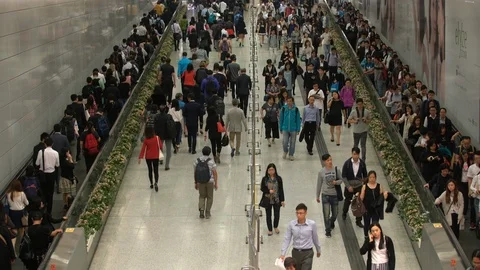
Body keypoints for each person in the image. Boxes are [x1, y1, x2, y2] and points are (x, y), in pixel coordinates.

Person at [279, 203, 321, 270]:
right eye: (297, 213)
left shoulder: (312, 224)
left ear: (305, 213)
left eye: (301, 213)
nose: (299, 215)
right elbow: (287, 239)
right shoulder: (291, 224)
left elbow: (315, 238)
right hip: (296, 253)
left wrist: (318, 250)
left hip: (308, 253)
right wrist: (283, 253)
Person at [316, 154, 342, 237]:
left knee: (335, 213)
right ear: (324, 162)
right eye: (328, 160)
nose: (330, 162)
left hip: (334, 195)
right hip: (325, 195)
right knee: (326, 214)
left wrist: (336, 182)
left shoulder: (336, 170)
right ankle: (327, 230)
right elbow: (319, 184)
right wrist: (317, 195)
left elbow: (341, 180)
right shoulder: (321, 172)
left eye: (330, 159)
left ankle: (331, 222)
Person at [342, 147, 368, 227]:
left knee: (359, 203)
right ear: (352, 154)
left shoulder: (362, 164)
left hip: (359, 186)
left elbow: (365, 176)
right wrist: (348, 186)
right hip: (349, 186)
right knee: (347, 201)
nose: (355, 156)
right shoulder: (347, 163)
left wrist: (364, 185)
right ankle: (344, 212)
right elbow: (344, 176)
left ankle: (358, 220)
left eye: (357, 154)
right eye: (354, 154)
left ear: (359, 154)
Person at [360, 171, 389, 238]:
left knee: (375, 224)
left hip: (376, 209)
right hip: (367, 209)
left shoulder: (379, 186)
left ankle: (374, 236)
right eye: (370, 177)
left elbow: (382, 197)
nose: (372, 179)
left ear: (375, 178)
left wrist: (385, 196)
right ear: (368, 178)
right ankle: (366, 235)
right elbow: (362, 198)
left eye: (373, 177)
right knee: (366, 224)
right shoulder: (364, 187)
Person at [35, 137, 60, 215]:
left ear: (45, 144)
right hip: (51, 174)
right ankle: (49, 211)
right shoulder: (55, 153)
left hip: (43, 175)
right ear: (52, 144)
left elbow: (37, 164)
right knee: (50, 193)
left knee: (43, 192)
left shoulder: (40, 152)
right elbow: (57, 164)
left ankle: (43, 208)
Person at [260, 163, 285, 236]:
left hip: (276, 199)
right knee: (268, 215)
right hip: (268, 199)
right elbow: (262, 188)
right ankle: (270, 229)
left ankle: (275, 226)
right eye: (270, 170)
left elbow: (281, 189)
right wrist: (268, 191)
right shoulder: (265, 179)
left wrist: (282, 200)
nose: (271, 171)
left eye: (272, 170)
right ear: (267, 171)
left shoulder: (279, 178)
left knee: (277, 214)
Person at [193, 146, 218, 219]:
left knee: (202, 196)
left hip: (200, 181)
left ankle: (201, 210)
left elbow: (195, 172)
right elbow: (215, 173)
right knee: (210, 197)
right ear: (209, 153)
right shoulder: (211, 161)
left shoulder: (197, 161)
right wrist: (216, 183)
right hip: (210, 182)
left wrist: (196, 182)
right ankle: (207, 212)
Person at [7, 179, 29, 251]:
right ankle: (19, 244)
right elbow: (27, 203)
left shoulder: (8, 194)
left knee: (14, 229)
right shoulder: (22, 193)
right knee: (22, 229)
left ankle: (13, 245)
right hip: (20, 213)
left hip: (12, 213)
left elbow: (9, 203)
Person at [138, 126, 162, 192]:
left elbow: (143, 149)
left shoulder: (146, 140)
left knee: (150, 170)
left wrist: (140, 157)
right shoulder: (157, 138)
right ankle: (156, 183)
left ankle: (151, 183)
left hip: (148, 157)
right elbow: (160, 146)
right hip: (155, 156)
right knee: (156, 170)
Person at [153, 105, 175, 170]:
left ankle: (161, 159)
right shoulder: (169, 116)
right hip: (168, 135)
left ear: (159, 110)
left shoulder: (156, 117)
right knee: (168, 150)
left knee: (160, 148)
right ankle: (167, 165)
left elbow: (155, 127)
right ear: (165, 110)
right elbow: (172, 126)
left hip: (160, 135)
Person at [280, 96, 301, 160]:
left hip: (293, 129)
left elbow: (298, 120)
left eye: (290, 101)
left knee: (292, 142)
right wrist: (280, 128)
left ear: (293, 101)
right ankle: (285, 151)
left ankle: (291, 154)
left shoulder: (296, 109)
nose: (289, 102)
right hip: (285, 128)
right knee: (285, 142)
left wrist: (298, 129)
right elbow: (281, 119)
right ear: (286, 101)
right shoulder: (283, 108)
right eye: (288, 101)